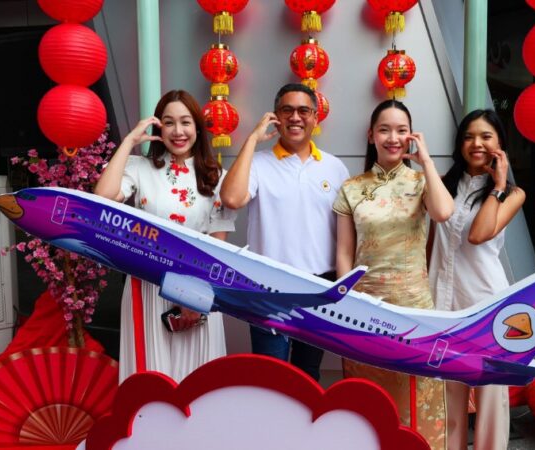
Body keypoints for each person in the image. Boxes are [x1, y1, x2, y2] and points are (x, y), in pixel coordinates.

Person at [333, 99, 454, 450]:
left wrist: (427, 161)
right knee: (369, 401)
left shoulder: (421, 181)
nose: (393, 138)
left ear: (412, 136)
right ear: (371, 135)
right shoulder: (351, 187)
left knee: (418, 401)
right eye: (384, 130)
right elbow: (344, 252)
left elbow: (443, 213)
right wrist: (345, 304)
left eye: (402, 130)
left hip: (414, 309)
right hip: (363, 310)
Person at [94, 89, 236, 382]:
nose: (178, 131)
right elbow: (104, 196)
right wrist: (129, 141)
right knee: (152, 378)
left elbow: (217, 244)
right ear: (158, 128)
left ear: (198, 127)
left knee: (199, 380)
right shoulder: (139, 168)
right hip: (149, 284)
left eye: (185, 122)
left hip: (198, 285)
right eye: (169, 122)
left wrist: (194, 296)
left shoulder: (216, 176)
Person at [220, 83, 349, 381]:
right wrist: (252, 139)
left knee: (308, 375)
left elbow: (346, 234)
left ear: (315, 117)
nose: (295, 117)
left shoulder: (335, 168)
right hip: (267, 287)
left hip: (319, 286)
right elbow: (232, 199)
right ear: (275, 117)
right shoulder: (257, 163)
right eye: (287, 110)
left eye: (304, 110)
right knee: (270, 376)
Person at [428, 109, 525, 450]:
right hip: (442, 301)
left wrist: (497, 186)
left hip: (486, 303)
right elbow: (431, 243)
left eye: (486, 136)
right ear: (459, 143)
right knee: (447, 393)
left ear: (500, 143)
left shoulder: (512, 193)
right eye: (469, 137)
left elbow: (479, 234)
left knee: (490, 396)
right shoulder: (443, 184)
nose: (477, 143)